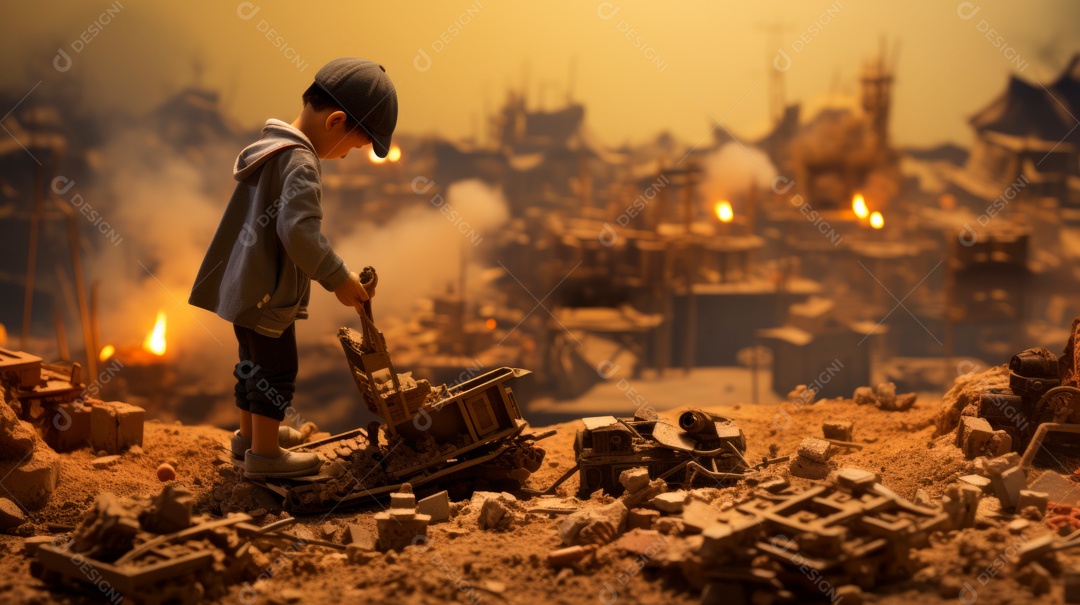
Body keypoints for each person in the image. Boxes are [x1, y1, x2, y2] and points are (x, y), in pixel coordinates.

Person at [189, 58, 397, 478]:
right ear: (336, 121)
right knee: (276, 372)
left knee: (250, 363)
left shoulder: (272, 146)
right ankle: (265, 457)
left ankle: (250, 437)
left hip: (243, 286)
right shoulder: (301, 162)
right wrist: (338, 278)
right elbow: (299, 233)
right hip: (268, 293)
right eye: (353, 146)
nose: (344, 156)